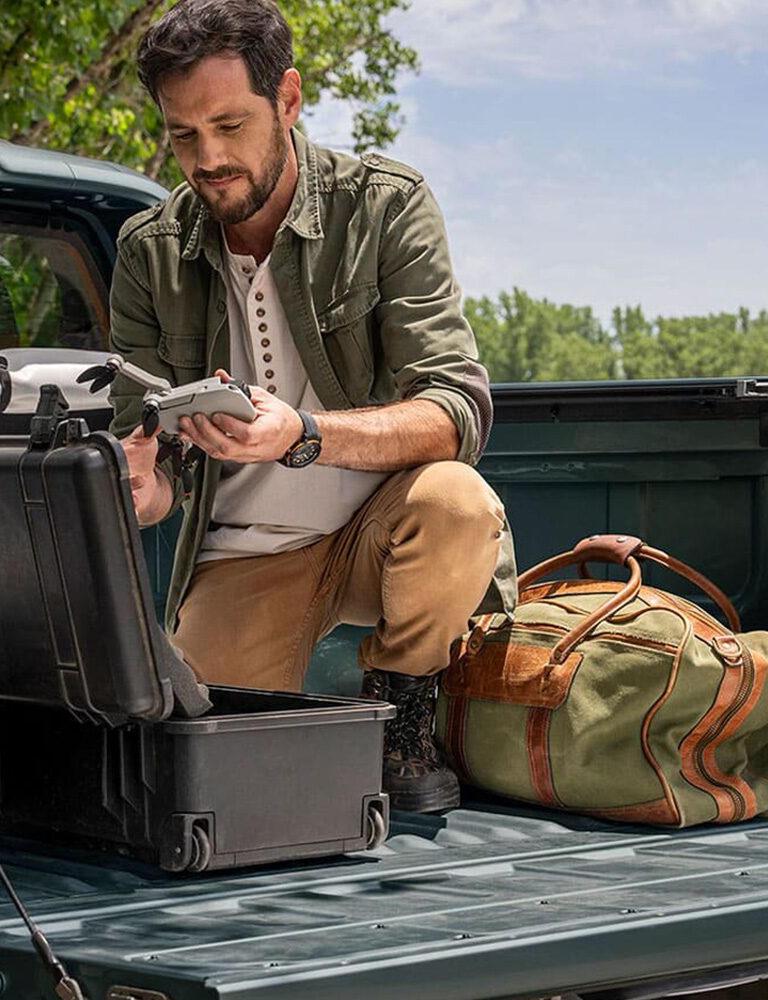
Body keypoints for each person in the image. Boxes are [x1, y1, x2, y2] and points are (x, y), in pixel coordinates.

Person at [107, 0, 516, 812]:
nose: (208, 158)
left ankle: (402, 719)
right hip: (244, 557)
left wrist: (304, 436)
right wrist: (141, 490)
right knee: (200, 787)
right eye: (184, 135)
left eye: (230, 125)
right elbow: (149, 471)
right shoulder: (146, 252)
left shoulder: (385, 206)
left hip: (381, 528)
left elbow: (458, 408)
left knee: (456, 502)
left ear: (287, 100)